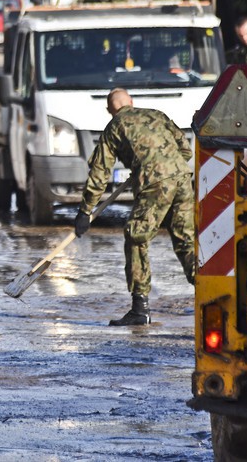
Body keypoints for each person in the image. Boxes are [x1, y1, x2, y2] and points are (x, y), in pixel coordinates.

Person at [74, 88, 195, 326]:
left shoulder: (114, 127)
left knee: (136, 236)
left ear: (110, 110)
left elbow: (100, 173)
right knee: (186, 240)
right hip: (182, 177)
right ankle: (211, 296)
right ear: (131, 102)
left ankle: (140, 309)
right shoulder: (156, 114)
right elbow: (186, 150)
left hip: (155, 183)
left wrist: (85, 211)